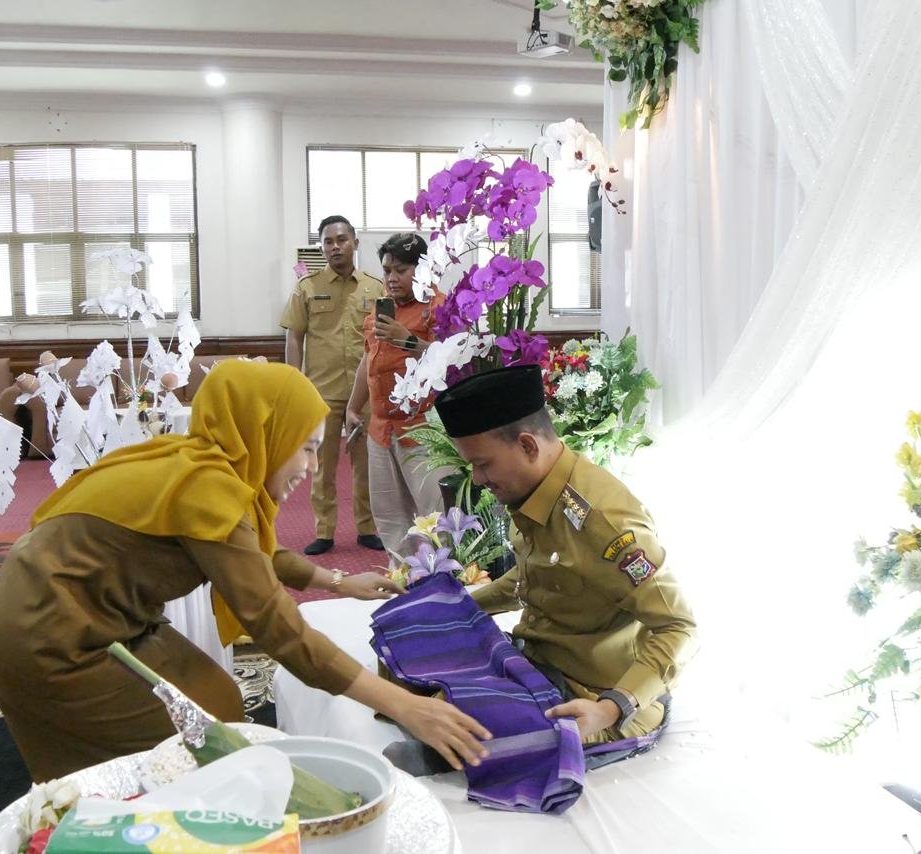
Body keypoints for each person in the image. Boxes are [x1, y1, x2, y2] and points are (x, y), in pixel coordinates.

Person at [0, 360, 490, 783]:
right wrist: (407, 707)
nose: (312, 467)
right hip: (48, 636)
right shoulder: (208, 487)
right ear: (266, 433)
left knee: (217, 702)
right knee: (180, 756)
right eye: (305, 447)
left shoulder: (198, 460)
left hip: (83, 615)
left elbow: (246, 554)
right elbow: (278, 630)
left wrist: (335, 581)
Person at [435, 364, 696, 751]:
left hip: (592, 694)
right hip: (539, 665)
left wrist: (611, 708)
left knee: (465, 733)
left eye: (482, 463)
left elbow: (679, 627)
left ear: (527, 445)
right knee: (425, 669)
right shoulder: (533, 490)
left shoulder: (604, 523)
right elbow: (534, 579)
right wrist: (461, 608)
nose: (476, 478)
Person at [280, 214, 385, 556]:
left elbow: (385, 340)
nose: (335, 247)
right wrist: (293, 386)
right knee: (322, 466)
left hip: (365, 394)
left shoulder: (375, 287)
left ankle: (367, 527)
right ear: (321, 246)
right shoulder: (307, 288)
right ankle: (324, 531)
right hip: (320, 393)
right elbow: (294, 337)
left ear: (355, 242)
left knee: (365, 463)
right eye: (328, 241)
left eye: (341, 239)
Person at [345, 233, 452, 557]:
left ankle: (447, 578)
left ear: (422, 269)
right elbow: (369, 359)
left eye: (400, 270)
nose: (391, 278)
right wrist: (352, 407)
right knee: (390, 515)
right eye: (387, 270)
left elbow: (452, 362)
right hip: (380, 429)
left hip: (422, 428)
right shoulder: (380, 313)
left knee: (434, 515)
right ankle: (404, 577)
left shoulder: (439, 308)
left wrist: (407, 341)